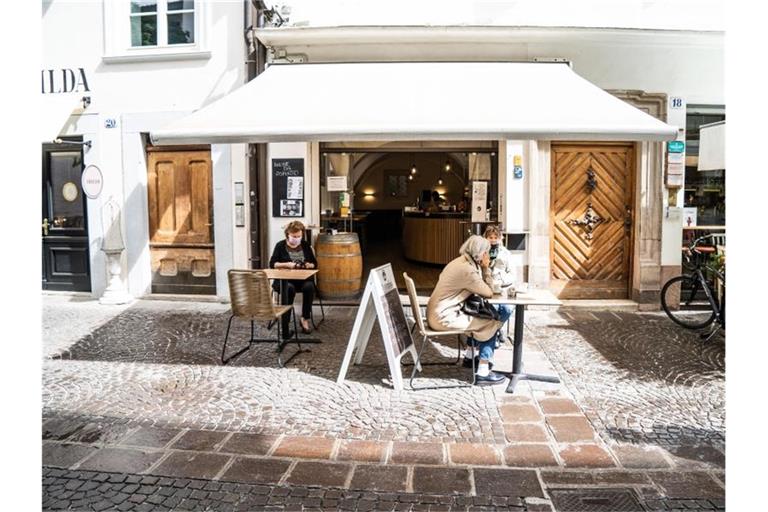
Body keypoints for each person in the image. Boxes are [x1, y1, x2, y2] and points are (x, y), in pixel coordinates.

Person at [426, 235, 512, 385]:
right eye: (486, 252)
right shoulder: (467, 270)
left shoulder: (459, 262)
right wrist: (486, 268)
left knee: (485, 314)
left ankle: (470, 356)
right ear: (480, 253)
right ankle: (483, 372)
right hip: (444, 317)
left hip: (439, 312)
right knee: (491, 321)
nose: (488, 255)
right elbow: (488, 292)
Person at [269, 221, 318, 338]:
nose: (296, 239)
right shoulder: (280, 245)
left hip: (303, 279)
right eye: (294, 236)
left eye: (299, 236)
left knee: (309, 287)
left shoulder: (305, 245)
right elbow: (272, 264)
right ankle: (285, 322)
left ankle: (304, 318)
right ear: (287, 235)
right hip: (285, 280)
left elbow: (315, 264)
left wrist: (309, 265)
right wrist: (286, 264)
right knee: (288, 289)